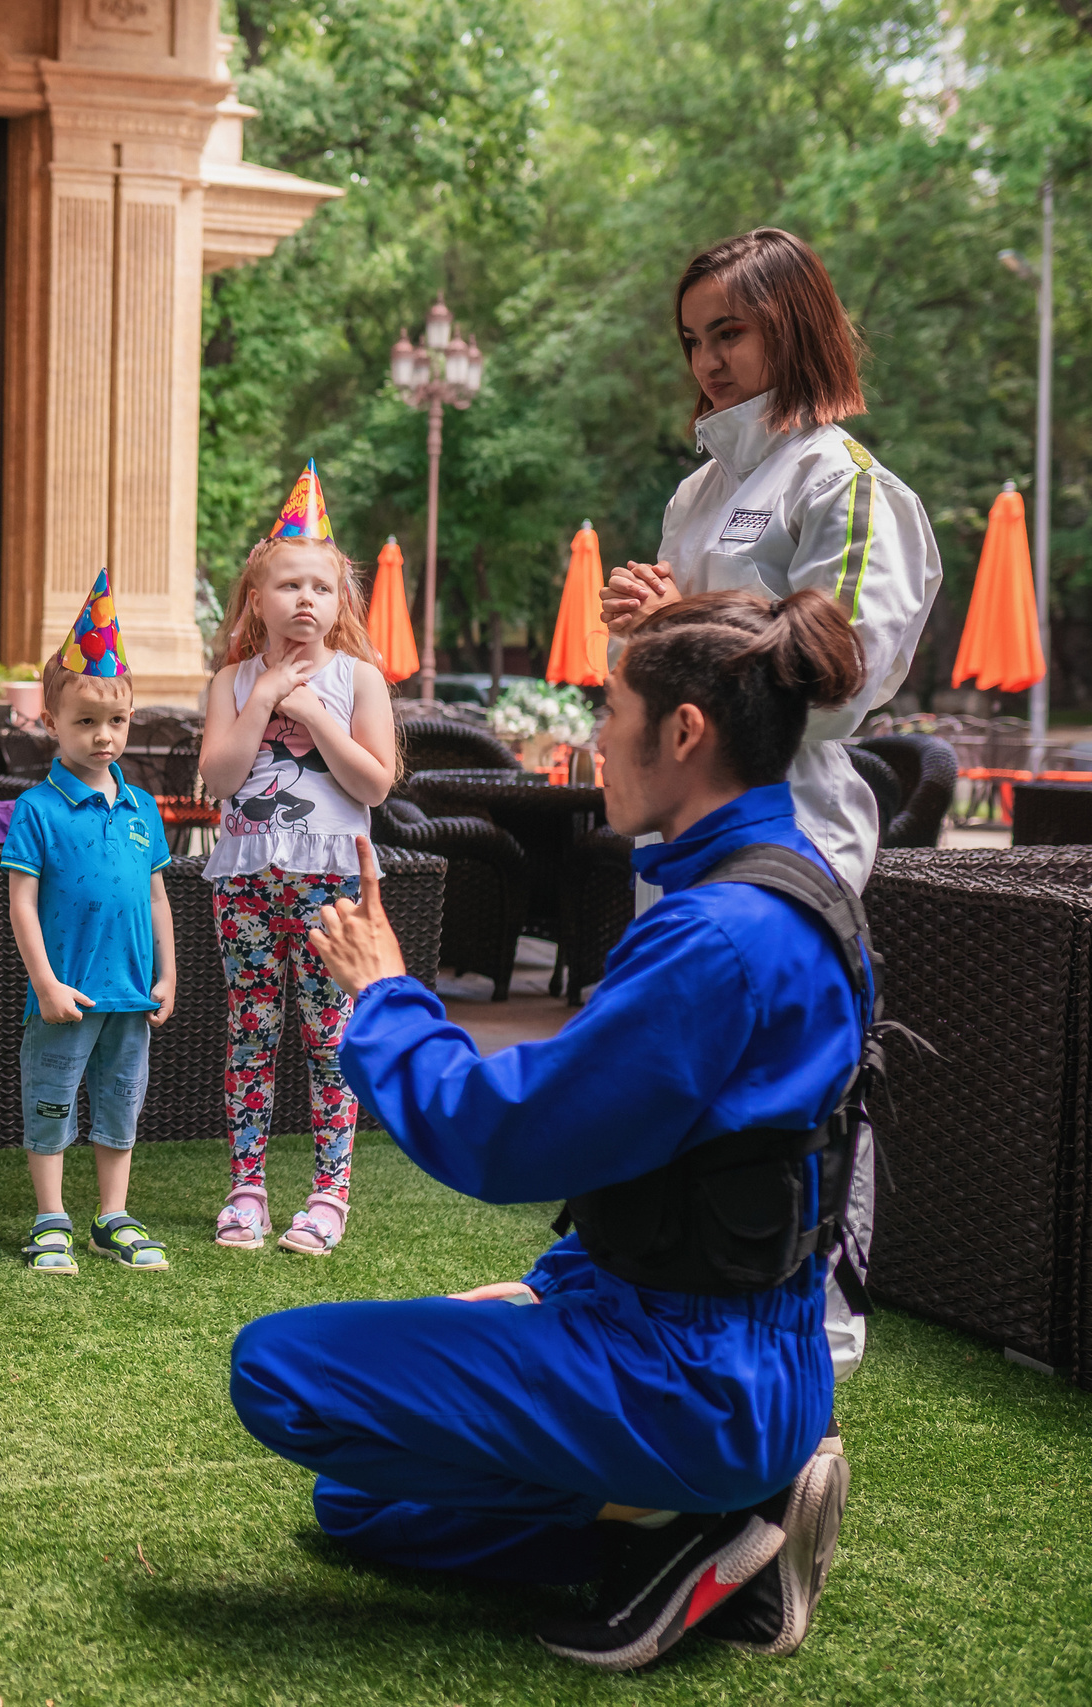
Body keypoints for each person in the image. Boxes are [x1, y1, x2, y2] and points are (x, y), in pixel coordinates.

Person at [230, 589, 874, 1671]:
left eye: (609, 710)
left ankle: (709, 1514)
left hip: (690, 1380)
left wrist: (384, 996)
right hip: (739, 1348)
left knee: (277, 1372)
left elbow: (502, 1134)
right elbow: (709, 1159)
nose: (593, 740)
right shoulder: (802, 891)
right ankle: (676, 1519)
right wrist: (555, 1285)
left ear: (682, 732)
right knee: (357, 1507)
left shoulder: (716, 938)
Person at [601, 227, 940, 1394]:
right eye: (694, 338)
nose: (707, 359)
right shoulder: (698, 488)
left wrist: (686, 609)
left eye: (730, 331)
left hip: (793, 853)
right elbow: (688, 673)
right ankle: (680, 1314)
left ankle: (818, 1365)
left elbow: (839, 682)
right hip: (681, 847)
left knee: (798, 1106)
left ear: (792, 324)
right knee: (683, 1089)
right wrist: (651, 626)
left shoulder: (843, 482)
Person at [194, 464, 397, 1256]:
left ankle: (328, 1191)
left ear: (341, 600)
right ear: (257, 599)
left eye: (321, 585)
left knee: (329, 1035)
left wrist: (311, 709)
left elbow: (374, 782)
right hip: (244, 880)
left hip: (331, 884)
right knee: (252, 1029)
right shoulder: (231, 681)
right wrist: (265, 695)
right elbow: (219, 776)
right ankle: (246, 1186)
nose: (305, 599)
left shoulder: (359, 679)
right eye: (288, 586)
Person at [1, 570, 176, 1276]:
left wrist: (169, 973)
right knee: (51, 1098)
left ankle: (112, 1214)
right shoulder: (37, 810)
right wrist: (44, 981)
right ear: (51, 722)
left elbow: (159, 895)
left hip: (133, 991)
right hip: (65, 993)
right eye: (85, 721)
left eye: (117, 721)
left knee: (119, 1101)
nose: (104, 736)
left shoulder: (143, 809)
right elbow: (21, 902)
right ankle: (50, 1217)